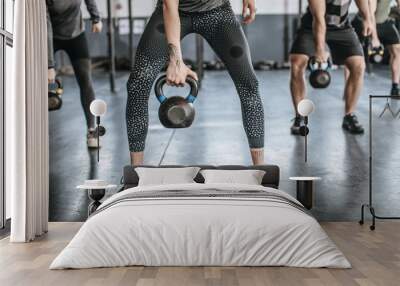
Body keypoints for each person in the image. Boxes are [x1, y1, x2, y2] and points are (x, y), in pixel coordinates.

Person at [126, 0, 265, 165]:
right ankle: (135, 172)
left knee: (249, 83)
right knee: (137, 83)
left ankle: (260, 169)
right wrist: (176, 61)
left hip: (217, 12)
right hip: (175, 10)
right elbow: (170, 7)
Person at [290, 0, 373, 135]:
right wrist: (319, 49)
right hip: (312, 26)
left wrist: (367, 18)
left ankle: (349, 116)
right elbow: (319, 19)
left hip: (341, 27)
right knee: (297, 63)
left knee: (358, 66)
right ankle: (300, 116)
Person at [47, 0, 103, 148]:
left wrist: (96, 18)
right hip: (51, 36)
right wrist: (49, 65)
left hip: (76, 35)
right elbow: (45, 28)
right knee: (43, 79)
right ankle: (36, 131)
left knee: (86, 81)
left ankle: (92, 130)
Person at [352, 0, 400, 96]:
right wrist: (375, 38)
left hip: (384, 22)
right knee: (352, 55)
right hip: (365, 22)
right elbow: (370, 14)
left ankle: (395, 87)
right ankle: (350, 88)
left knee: (397, 52)